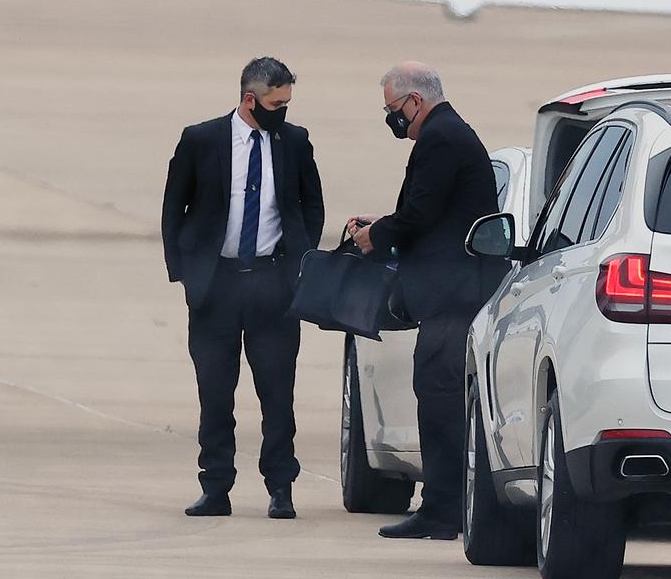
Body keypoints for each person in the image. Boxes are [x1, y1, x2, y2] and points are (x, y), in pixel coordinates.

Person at [348, 61, 507, 539]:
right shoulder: (450, 134)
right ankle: (445, 506)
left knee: (439, 401)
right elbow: (435, 211)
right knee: (437, 397)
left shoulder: (441, 137)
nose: (391, 119)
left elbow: (420, 213)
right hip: (453, 293)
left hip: (453, 297)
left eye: (393, 109)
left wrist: (379, 235)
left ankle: (441, 511)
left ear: (415, 101)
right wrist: (384, 224)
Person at [161, 57, 324, 519]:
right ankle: (216, 486)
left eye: (288, 103)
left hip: (274, 285)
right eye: (276, 103)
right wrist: (185, 273)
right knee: (215, 392)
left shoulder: (294, 141)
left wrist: (300, 260)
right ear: (250, 99)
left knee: (277, 393)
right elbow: (175, 207)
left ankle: (281, 487)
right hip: (217, 287)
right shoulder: (201, 139)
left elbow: (312, 204)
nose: (284, 112)